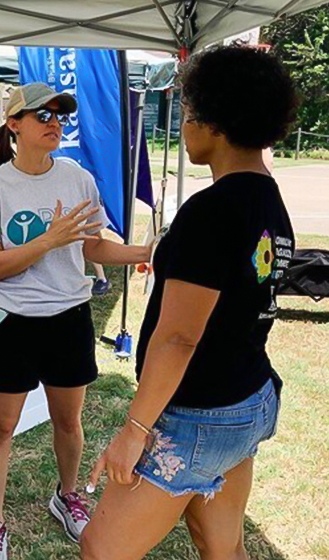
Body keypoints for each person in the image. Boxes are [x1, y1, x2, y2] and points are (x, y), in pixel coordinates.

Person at [80, 45, 298, 560]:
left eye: (189, 113)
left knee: (99, 549)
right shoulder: (268, 197)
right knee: (221, 546)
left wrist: (134, 431)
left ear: (215, 122)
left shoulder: (212, 209)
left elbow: (179, 337)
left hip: (201, 412)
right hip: (249, 397)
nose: (184, 126)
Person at [0, 82, 152, 559]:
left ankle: (67, 496)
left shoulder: (76, 178)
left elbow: (92, 247)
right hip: (11, 320)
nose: (53, 122)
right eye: (41, 115)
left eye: (58, 115)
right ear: (13, 126)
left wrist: (145, 252)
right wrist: (47, 239)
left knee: (69, 421)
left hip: (69, 317)